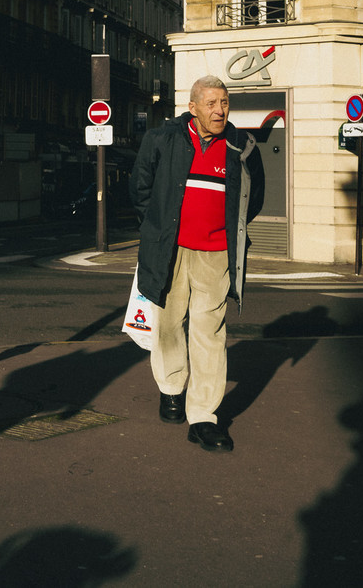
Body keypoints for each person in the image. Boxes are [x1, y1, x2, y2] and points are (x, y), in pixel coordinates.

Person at [129, 75, 264, 453]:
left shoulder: (241, 146)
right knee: (168, 324)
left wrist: (226, 233)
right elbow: (140, 190)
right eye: (212, 103)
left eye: (224, 102)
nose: (220, 110)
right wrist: (156, 229)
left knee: (209, 332)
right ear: (193, 108)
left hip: (216, 253)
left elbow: (253, 199)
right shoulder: (162, 139)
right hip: (169, 251)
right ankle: (171, 388)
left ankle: (203, 415)